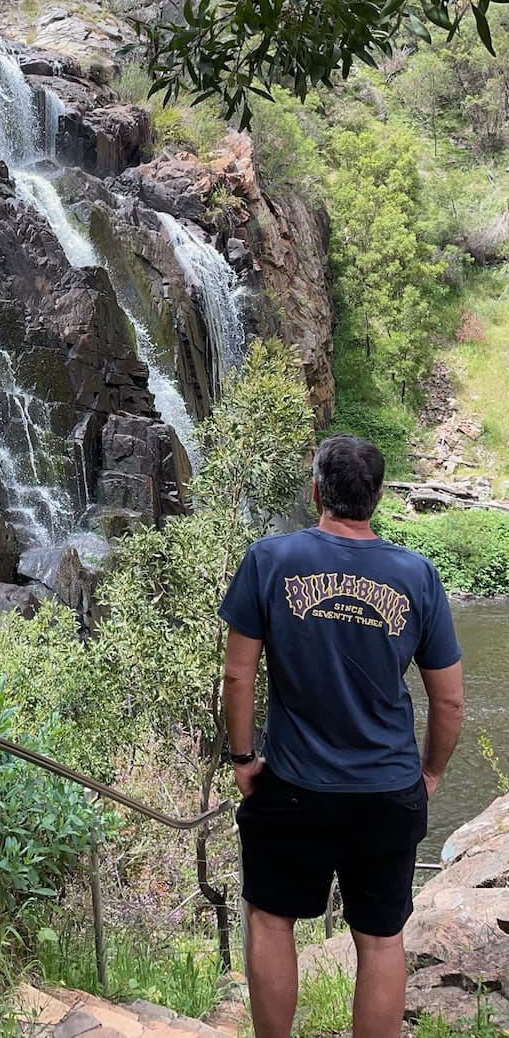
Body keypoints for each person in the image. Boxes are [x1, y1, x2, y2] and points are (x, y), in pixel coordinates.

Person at [219, 434, 464, 1038]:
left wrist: (243, 757)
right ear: (376, 498)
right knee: (380, 940)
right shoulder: (417, 575)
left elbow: (238, 674)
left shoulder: (269, 560)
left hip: (293, 786)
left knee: (272, 920)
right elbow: (450, 699)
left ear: (316, 492)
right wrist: (430, 773)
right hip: (387, 789)